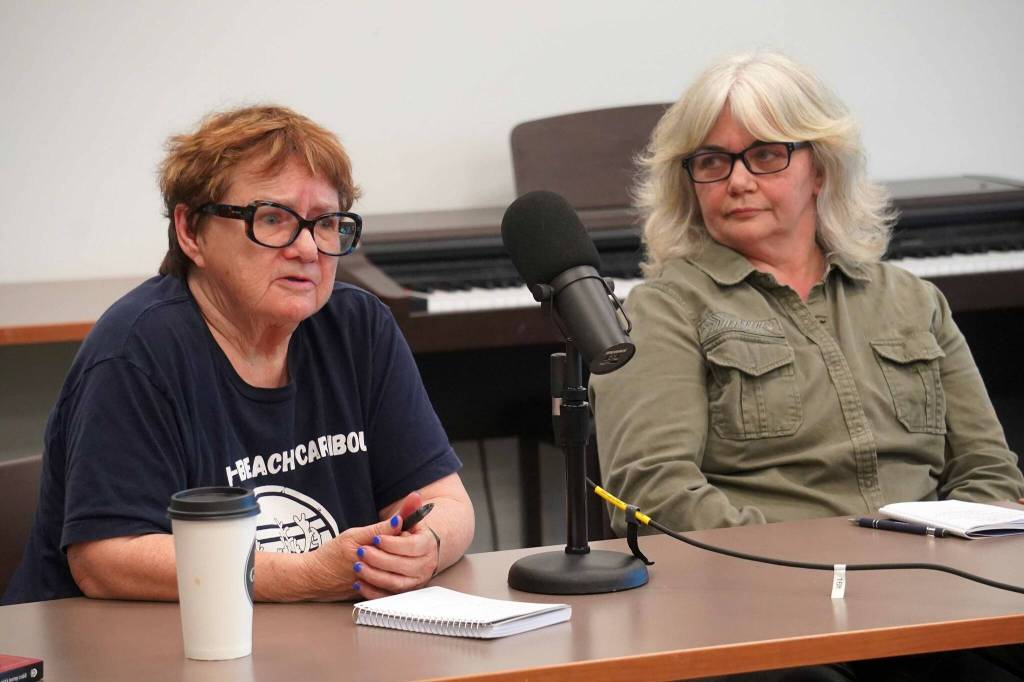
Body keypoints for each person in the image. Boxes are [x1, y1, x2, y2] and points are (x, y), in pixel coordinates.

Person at [590, 53, 1024, 681]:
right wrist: (814, 572)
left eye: (766, 155)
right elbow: (654, 495)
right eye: (712, 162)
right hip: (763, 609)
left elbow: (989, 471)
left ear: (820, 168)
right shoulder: (664, 310)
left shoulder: (913, 300)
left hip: (935, 599)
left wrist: (947, 572)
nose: (738, 181)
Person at [4, 105, 474, 606]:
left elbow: (446, 502)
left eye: (326, 223)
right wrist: (306, 576)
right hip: (120, 641)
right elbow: (105, 560)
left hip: (306, 634)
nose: (308, 249)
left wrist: (424, 547)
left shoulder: (359, 327)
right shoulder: (136, 350)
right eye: (272, 218)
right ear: (191, 232)